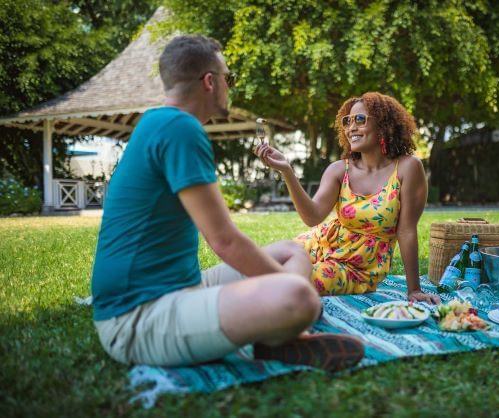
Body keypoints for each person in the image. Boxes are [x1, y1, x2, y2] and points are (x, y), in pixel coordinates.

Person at [90, 35, 363, 372]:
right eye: (228, 79)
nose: (229, 87)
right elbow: (224, 240)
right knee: (301, 298)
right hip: (135, 318)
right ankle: (282, 324)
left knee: (294, 252)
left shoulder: (157, 121)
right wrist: (284, 284)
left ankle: (273, 332)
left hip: (178, 288)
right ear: (210, 81)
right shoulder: (180, 129)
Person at [255, 92, 440, 305]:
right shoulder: (338, 170)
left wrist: (414, 289)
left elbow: (406, 230)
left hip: (355, 268)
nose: (351, 127)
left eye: (360, 119)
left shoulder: (407, 168)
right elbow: (312, 217)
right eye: (347, 121)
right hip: (320, 243)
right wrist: (287, 171)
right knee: (262, 263)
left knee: (290, 283)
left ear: (384, 125)